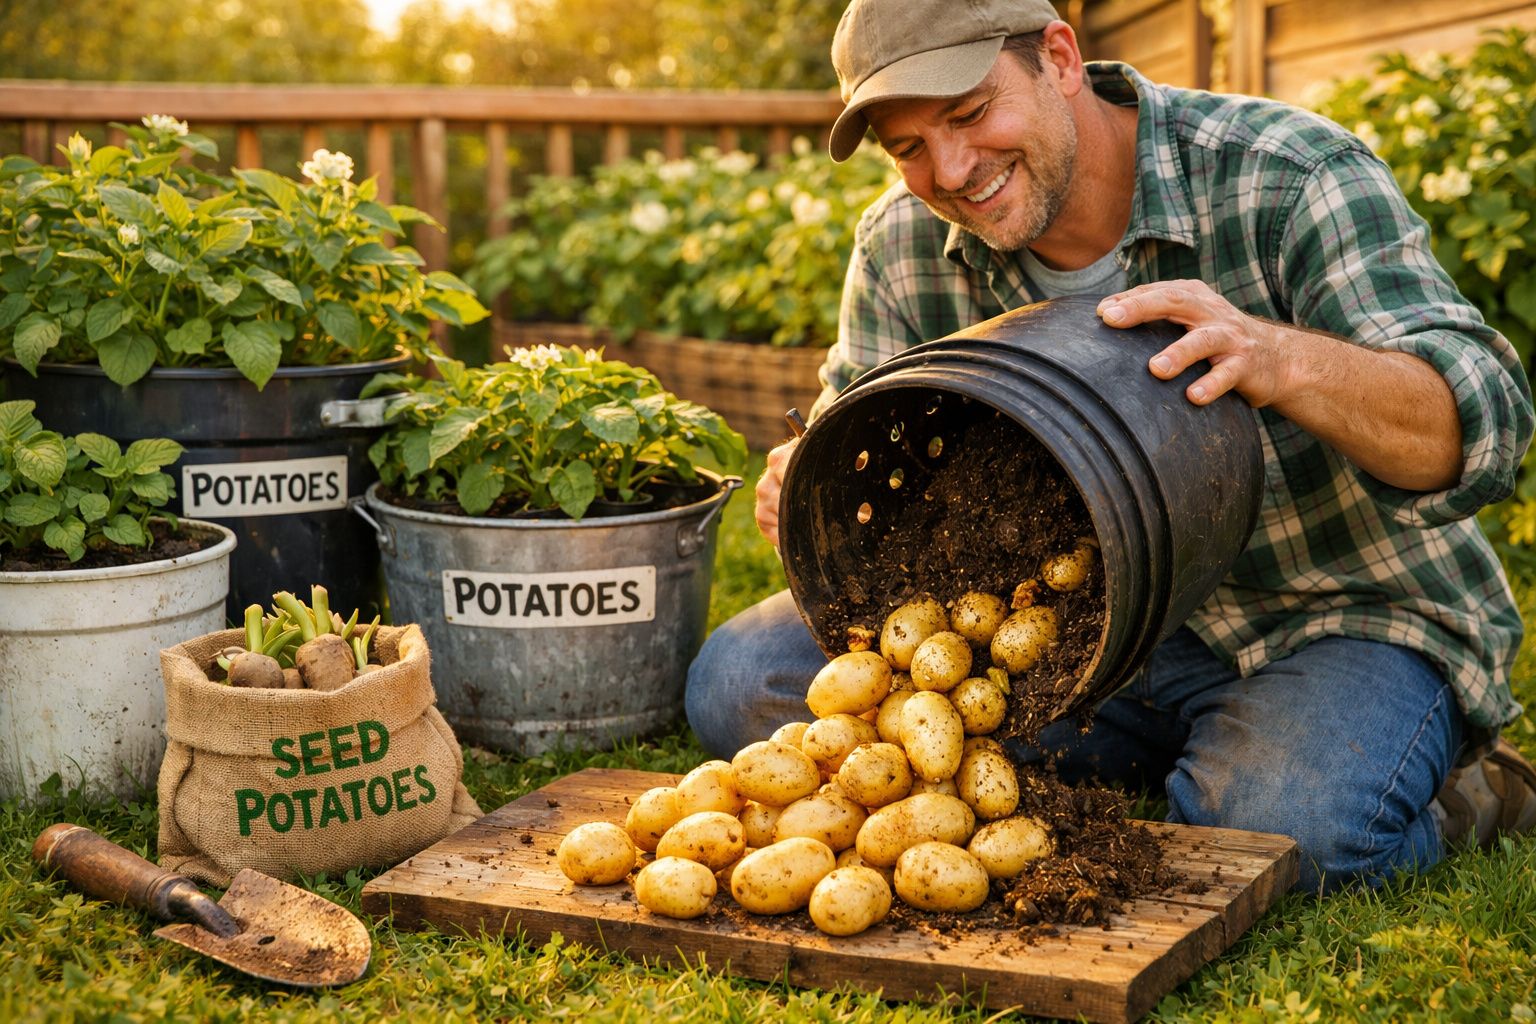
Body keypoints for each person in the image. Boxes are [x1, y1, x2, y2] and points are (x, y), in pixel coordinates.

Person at [685, 0, 1536, 892]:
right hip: (1060, 639)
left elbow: (1481, 426)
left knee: (1291, 833)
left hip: (1319, 620)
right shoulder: (903, 242)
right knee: (743, 681)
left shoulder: (1286, 175)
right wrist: (806, 490)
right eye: (909, 147)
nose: (952, 170)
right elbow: (853, 445)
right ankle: (1167, 766)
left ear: (1059, 57)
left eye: (970, 112)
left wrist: (1279, 357)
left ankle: (1459, 795)